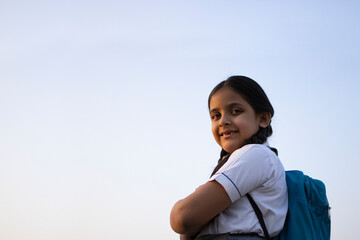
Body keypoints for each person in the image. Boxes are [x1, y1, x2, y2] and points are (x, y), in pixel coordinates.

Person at [170, 76, 288, 240]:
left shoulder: (257, 155)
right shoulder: (247, 160)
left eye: (236, 111)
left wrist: (183, 209)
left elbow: (182, 218)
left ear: (263, 118)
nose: (223, 121)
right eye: (216, 115)